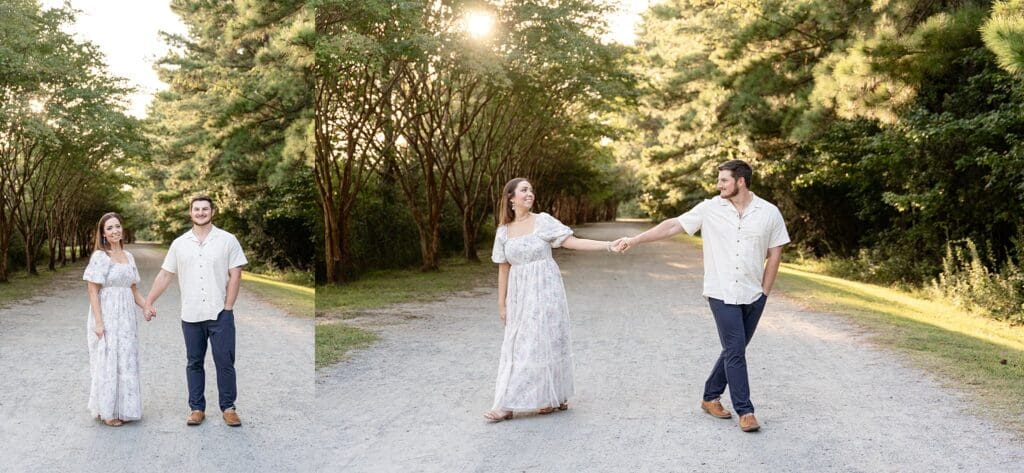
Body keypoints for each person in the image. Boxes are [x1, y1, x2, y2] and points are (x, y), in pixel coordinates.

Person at [615, 160, 789, 432]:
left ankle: (710, 396)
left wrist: (765, 292)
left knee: (736, 348)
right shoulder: (709, 208)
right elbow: (672, 226)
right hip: (720, 291)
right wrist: (636, 240)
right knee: (735, 350)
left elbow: (775, 252)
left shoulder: (768, 212)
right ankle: (746, 411)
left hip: (753, 293)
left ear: (740, 182)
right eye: (719, 180)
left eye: (724, 181)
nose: (718, 185)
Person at [484, 178, 621, 422]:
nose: (530, 194)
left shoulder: (543, 221)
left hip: (546, 290)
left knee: (546, 340)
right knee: (520, 345)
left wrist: (608, 245)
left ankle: (550, 396)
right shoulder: (503, 232)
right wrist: (501, 304)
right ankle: (507, 403)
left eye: (531, 190)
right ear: (511, 198)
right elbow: (503, 268)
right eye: (524, 190)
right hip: (519, 294)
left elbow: (573, 242)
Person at [144, 195, 248, 427]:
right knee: (194, 362)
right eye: (196, 209)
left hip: (219, 312)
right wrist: (149, 301)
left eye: (205, 209)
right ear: (190, 213)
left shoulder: (227, 240)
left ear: (212, 212)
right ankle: (196, 408)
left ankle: (229, 408)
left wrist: (228, 307)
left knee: (224, 361)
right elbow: (165, 275)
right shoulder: (179, 243)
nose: (201, 212)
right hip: (190, 314)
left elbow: (236, 274)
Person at [84, 212, 152, 426]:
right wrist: (99, 321)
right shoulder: (100, 257)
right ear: (103, 234)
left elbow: (133, 289)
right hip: (107, 313)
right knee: (108, 359)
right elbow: (93, 291)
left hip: (126, 318)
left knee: (126, 358)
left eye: (117, 226)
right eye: (110, 228)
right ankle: (108, 411)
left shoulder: (129, 256)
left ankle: (125, 408)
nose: (115, 231)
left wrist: (146, 307)